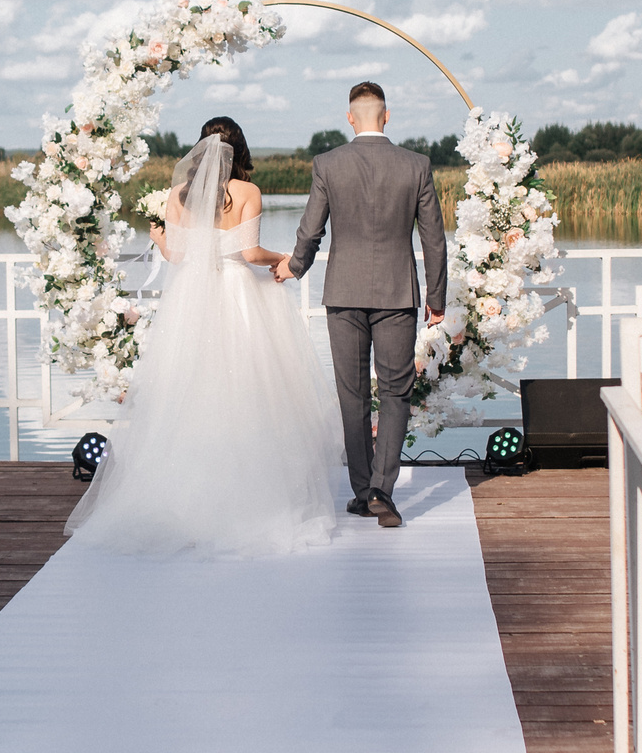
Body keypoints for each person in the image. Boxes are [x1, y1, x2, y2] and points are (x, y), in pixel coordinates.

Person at [66, 117, 343, 556]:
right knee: (247, 391)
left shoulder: (178, 195)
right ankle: (252, 492)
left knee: (189, 390)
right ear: (241, 150)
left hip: (191, 296)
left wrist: (158, 236)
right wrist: (285, 258)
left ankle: (183, 496)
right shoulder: (248, 193)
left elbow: (177, 255)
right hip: (236, 292)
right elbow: (249, 254)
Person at [275, 82, 446, 528]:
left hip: (344, 293)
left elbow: (311, 230)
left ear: (350, 118)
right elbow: (434, 239)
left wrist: (294, 267)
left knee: (351, 395)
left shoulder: (328, 164)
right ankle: (382, 493)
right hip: (397, 294)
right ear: (386, 116)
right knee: (396, 392)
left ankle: (361, 490)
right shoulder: (417, 165)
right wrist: (437, 298)